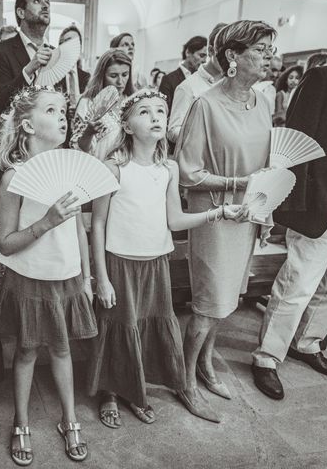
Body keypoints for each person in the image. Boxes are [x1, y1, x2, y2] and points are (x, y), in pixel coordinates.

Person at [88, 89, 247, 430]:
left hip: (156, 262)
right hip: (120, 262)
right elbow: (97, 224)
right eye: (144, 112)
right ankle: (110, 393)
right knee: (118, 328)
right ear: (127, 126)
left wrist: (218, 212)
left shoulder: (169, 169)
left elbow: (174, 221)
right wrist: (100, 277)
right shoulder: (114, 168)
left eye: (160, 111)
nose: (156, 117)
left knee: (147, 327)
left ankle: (135, 390)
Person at [251, 50, 327, 401]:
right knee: (299, 281)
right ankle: (267, 357)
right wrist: (292, 203)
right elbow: (296, 140)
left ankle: (308, 341)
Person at [175, 20, 276, 423]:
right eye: (261, 49)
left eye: (271, 48)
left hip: (249, 216)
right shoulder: (206, 104)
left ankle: (206, 364)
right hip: (216, 215)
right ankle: (184, 380)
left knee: (228, 301)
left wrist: (266, 205)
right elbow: (188, 173)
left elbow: (269, 165)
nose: (269, 56)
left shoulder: (263, 103)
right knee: (206, 305)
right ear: (232, 56)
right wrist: (239, 183)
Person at [0, 86, 96, 465]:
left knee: (63, 348)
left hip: (65, 275)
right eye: (51, 110)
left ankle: (69, 418)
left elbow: (81, 231)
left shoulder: (71, 169)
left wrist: (85, 278)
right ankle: (20, 421)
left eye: (64, 109)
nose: (62, 115)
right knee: (25, 350)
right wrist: (46, 221)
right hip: (28, 277)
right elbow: (5, 243)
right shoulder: (13, 178)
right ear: (27, 125)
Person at [0, 0, 66, 118]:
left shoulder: (56, 54)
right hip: (16, 134)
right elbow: (1, 103)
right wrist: (28, 70)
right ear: (21, 12)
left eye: (47, 2)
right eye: (37, 1)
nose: (45, 6)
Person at [168, 23, 226, 145]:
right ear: (211, 51)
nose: (229, 61)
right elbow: (173, 131)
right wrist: (203, 137)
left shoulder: (231, 84)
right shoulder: (187, 87)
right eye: (224, 54)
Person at [70, 49, 134, 160]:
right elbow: (76, 148)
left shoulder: (132, 101)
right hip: (99, 166)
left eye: (125, 74)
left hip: (128, 166)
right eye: (113, 76)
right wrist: (88, 133)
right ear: (102, 76)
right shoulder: (88, 102)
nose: (120, 81)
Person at [160, 35, 208, 111]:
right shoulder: (168, 80)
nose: (204, 61)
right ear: (188, 52)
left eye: (206, 57)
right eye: (201, 55)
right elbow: (164, 110)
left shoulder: (202, 79)